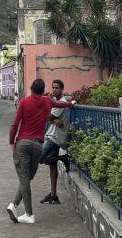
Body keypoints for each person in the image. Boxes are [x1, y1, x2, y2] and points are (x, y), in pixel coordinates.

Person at [7, 79, 73, 224]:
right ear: (43, 91)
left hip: (23, 144)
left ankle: (29, 214)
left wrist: (11, 141)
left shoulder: (24, 102)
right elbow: (61, 104)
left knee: (24, 179)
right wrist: (71, 103)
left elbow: (14, 124)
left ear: (31, 88)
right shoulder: (47, 102)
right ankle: (14, 205)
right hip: (38, 145)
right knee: (27, 178)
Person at [39, 80, 71, 205]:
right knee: (52, 166)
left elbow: (46, 116)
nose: (54, 90)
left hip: (53, 138)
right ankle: (53, 196)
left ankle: (63, 158)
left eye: (57, 88)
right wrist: (54, 120)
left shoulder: (61, 103)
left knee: (39, 158)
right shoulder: (56, 103)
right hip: (52, 135)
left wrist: (52, 118)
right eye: (53, 88)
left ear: (62, 89)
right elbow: (49, 117)